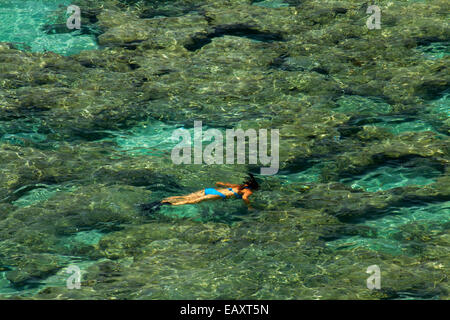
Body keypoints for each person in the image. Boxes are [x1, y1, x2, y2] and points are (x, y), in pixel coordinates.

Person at [139, 173, 259, 214]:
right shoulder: (248, 191)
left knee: (185, 197)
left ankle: (161, 200)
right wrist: (249, 206)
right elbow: (245, 198)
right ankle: (165, 204)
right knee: (190, 202)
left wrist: (219, 185)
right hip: (217, 195)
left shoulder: (238, 186)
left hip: (210, 190)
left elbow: (220, 183)